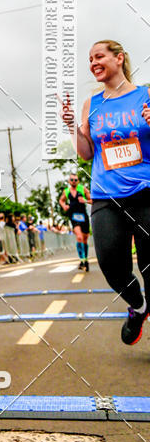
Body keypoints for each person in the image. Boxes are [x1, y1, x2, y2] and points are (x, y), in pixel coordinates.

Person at [61, 39, 150, 345]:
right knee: (112, 263)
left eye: (99, 56)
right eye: (90, 59)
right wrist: (72, 126)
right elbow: (86, 153)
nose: (93, 62)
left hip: (145, 191)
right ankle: (138, 307)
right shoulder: (92, 103)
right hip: (106, 195)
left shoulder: (145, 96)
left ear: (119, 58)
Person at [58, 172, 92, 271]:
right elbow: (61, 200)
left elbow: (92, 200)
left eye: (75, 180)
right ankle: (81, 260)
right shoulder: (66, 191)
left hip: (83, 216)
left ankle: (85, 260)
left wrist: (85, 201)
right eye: (72, 180)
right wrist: (64, 206)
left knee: (85, 238)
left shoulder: (83, 189)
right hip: (74, 216)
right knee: (79, 237)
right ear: (69, 181)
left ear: (78, 181)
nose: (73, 182)